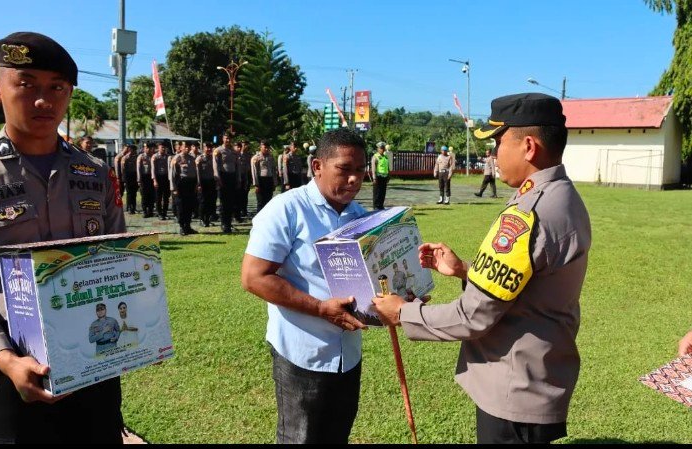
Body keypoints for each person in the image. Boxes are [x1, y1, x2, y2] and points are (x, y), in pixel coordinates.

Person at [373, 93, 592, 444]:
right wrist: (464, 270)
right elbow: (527, 278)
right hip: (535, 376)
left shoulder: (529, 212)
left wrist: (403, 313)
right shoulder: (562, 197)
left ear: (529, 147)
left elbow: (473, 315)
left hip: (513, 387)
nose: (493, 154)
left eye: (498, 142)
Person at [0, 31, 126, 444]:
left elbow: (116, 260)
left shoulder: (96, 174)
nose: (44, 100)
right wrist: (6, 359)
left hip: (94, 364)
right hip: (12, 372)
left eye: (57, 87)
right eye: (26, 84)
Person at [241, 128, 369, 444]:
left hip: (347, 355)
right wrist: (320, 308)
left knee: (337, 435)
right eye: (344, 169)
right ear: (317, 166)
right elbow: (253, 277)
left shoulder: (360, 216)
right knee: (300, 438)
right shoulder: (286, 209)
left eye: (360, 170)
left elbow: (368, 277)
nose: (354, 179)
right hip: (302, 353)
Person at [213, 133, 239, 234]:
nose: (228, 140)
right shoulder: (218, 151)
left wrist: (238, 179)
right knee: (223, 202)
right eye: (226, 138)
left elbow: (237, 166)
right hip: (223, 177)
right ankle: (224, 223)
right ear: (223, 139)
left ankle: (228, 222)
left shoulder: (233, 151)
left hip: (232, 177)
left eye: (229, 138)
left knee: (231, 202)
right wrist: (218, 179)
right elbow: (215, 166)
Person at [170, 140, 198, 235]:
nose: (187, 148)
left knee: (189, 206)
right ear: (181, 147)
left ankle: (188, 226)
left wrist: (196, 185)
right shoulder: (176, 159)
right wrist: (174, 188)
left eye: (189, 146)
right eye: (185, 146)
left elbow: (195, 173)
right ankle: (182, 227)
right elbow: (172, 175)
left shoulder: (192, 158)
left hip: (191, 184)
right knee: (181, 207)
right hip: (181, 185)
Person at [250, 140, 277, 213]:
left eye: (268, 147)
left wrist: (274, 183)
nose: (267, 149)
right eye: (265, 147)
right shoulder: (256, 158)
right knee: (261, 202)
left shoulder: (271, 157)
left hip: (269, 180)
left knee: (268, 202)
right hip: (261, 181)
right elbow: (254, 171)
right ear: (260, 147)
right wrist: (256, 184)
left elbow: (274, 170)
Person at [196, 142, 216, 227]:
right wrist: (199, 184)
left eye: (210, 148)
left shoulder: (213, 158)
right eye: (207, 147)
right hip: (203, 182)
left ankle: (207, 219)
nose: (208, 149)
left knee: (210, 201)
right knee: (203, 202)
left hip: (211, 182)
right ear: (203, 148)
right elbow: (197, 173)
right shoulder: (199, 159)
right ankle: (202, 219)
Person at [151, 142, 171, 220]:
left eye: (164, 147)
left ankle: (164, 212)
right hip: (158, 178)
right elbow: (153, 169)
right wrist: (154, 180)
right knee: (158, 197)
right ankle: (159, 213)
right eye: (162, 147)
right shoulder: (155, 157)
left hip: (166, 178)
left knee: (166, 197)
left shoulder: (168, 157)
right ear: (158, 148)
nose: (163, 149)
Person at [137, 142, 155, 218]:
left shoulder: (153, 156)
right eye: (146, 148)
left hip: (151, 178)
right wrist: (139, 180)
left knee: (151, 195)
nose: (147, 149)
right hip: (144, 178)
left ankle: (150, 211)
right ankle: (145, 211)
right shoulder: (141, 157)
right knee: (144, 195)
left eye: (148, 148)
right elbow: (138, 169)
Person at [370, 141, 390, 210]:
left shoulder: (385, 157)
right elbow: (373, 168)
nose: (382, 150)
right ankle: (376, 206)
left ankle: (381, 205)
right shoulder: (375, 157)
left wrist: (388, 176)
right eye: (381, 148)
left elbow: (387, 167)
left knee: (383, 192)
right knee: (377, 193)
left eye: (383, 148)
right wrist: (374, 178)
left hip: (384, 177)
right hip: (378, 177)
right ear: (378, 149)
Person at [121, 144, 139, 214]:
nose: (133, 152)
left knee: (134, 193)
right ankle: (129, 207)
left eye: (134, 150)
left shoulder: (136, 157)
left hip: (134, 175)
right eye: (132, 150)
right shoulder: (125, 158)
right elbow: (123, 169)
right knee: (129, 193)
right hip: (128, 176)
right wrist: (124, 178)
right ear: (129, 150)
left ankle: (133, 207)